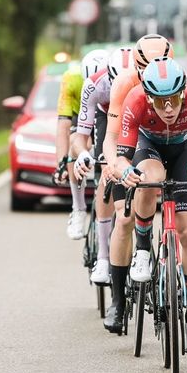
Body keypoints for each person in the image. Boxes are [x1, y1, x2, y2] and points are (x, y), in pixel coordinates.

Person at [116, 57, 187, 352]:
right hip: (150, 147)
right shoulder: (133, 102)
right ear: (148, 96)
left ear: (183, 93)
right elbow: (122, 155)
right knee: (149, 178)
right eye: (160, 102)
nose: (168, 108)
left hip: (185, 149)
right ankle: (143, 249)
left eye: (173, 99)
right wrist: (124, 171)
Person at [99, 34, 175, 334]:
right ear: (137, 67)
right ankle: (117, 303)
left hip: (169, 146)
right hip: (133, 146)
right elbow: (113, 137)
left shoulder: (180, 79)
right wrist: (114, 165)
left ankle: (171, 273)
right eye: (145, 70)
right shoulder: (125, 84)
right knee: (125, 217)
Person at [72, 48, 121, 285]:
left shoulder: (140, 82)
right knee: (107, 175)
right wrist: (82, 154)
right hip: (105, 114)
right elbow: (79, 134)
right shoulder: (94, 85)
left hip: (132, 114)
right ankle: (103, 257)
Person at [55, 50, 108, 240]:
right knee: (74, 144)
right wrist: (61, 162)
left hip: (108, 112)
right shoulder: (72, 78)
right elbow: (64, 122)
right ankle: (78, 208)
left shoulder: (117, 77)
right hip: (83, 114)